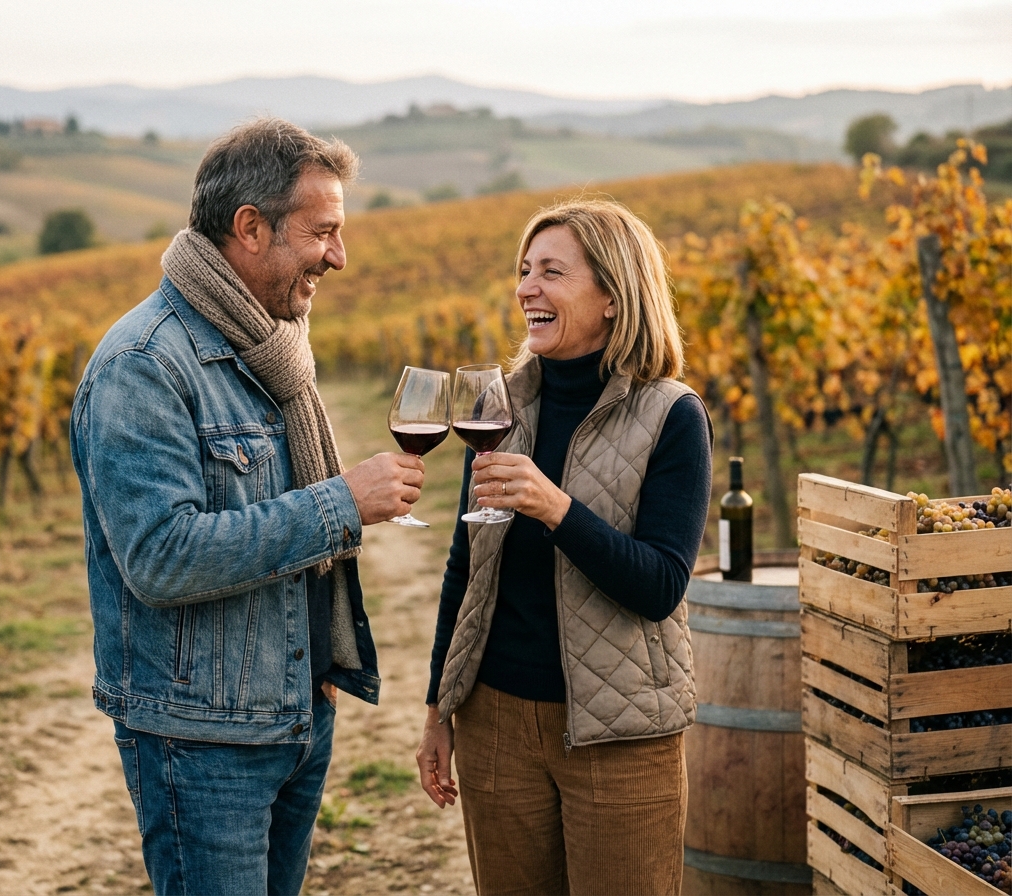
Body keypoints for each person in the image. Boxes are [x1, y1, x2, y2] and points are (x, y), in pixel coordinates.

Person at [70, 118, 425, 896]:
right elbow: (162, 556)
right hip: (202, 741)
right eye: (323, 232)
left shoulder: (273, 345)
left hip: (294, 714)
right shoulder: (144, 364)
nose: (339, 255)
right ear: (250, 228)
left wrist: (317, 661)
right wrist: (341, 504)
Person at [415, 198, 713, 895]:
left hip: (622, 735)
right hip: (496, 724)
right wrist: (439, 707)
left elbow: (660, 585)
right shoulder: (499, 409)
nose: (527, 289)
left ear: (612, 295)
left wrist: (555, 508)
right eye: (524, 271)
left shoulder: (671, 414)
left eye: (552, 272)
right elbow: (467, 568)